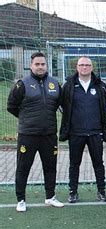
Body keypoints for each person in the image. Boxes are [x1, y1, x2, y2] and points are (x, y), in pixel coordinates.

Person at [7, 52, 64, 212]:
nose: (40, 67)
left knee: (50, 167)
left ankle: (50, 197)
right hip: (28, 135)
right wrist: (26, 118)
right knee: (23, 167)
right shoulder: (22, 84)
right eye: (37, 64)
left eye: (43, 64)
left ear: (46, 66)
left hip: (49, 134)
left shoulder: (55, 84)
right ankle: (21, 200)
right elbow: (11, 106)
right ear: (31, 66)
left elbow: (60, 105)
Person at [59, 56, 106, 203]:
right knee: (74, 163)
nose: (84, 67)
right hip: (76, 132)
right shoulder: (69, 85)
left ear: (91, 67)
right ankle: (73, 192)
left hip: (95, 131)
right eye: (81, 65)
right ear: (76, 67)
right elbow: (62, 106)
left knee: (98, 163)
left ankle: (101, 191)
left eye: (87, 65)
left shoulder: (100, 85)